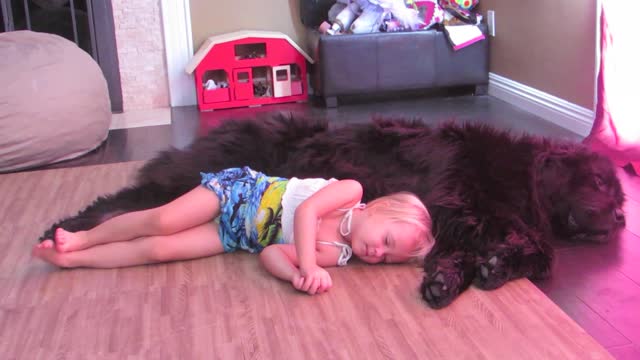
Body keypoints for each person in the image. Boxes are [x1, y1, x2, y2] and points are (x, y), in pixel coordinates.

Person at [32, 167, 435, 295]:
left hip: (237, 237)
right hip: (237, 193)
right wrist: (311, 263)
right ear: (379, 209)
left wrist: (298, 273)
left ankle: (74, 259)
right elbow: (307, 211)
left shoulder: (336, 255)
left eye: (388, 257)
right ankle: (84, 237)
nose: (378, 253)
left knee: (160, 250)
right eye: (386, 240)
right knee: (162, 220)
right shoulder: (351, 194)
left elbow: (271, 254)